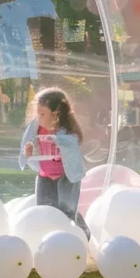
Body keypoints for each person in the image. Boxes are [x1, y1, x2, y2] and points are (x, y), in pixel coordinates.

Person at [18, 88, 89, 239]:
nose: (39, 116)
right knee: (44, 209)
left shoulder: (66, 130)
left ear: (56, 114)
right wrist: (29, 152)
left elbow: (72, 146)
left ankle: (79, 233)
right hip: (45, 175)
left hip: (66, 177)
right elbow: (30, 144)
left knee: (67, 210)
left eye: (42, 113)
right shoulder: (36, 127)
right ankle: (48, 238)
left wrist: (57, 141)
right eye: (38, 112)